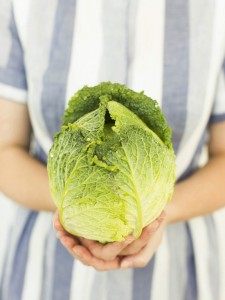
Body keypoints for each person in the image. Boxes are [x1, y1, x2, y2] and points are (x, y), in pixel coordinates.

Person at [0, 1, 225, 299]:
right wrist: (77, 213)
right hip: (45, 270)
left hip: (175, 271)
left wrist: (161, 215)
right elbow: (5, 149)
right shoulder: (24, 6)